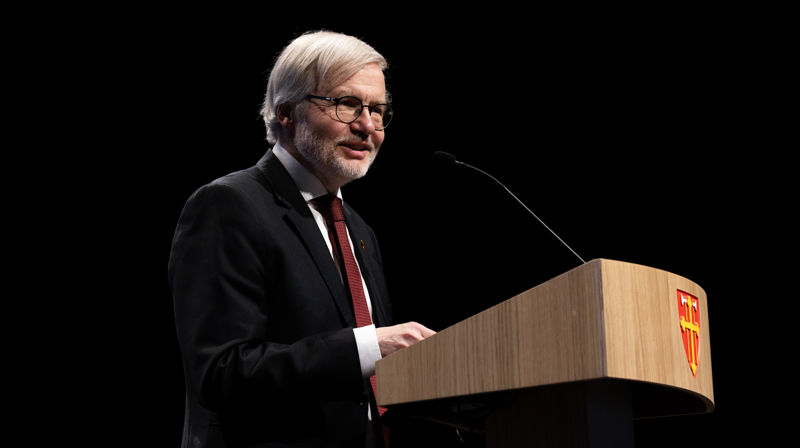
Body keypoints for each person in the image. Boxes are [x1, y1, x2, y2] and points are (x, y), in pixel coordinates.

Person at [168, 30, 435, 448]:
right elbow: (221, 371)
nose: (368, 126)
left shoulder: (358, 229)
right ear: (287, 111)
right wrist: (367, 346)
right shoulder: (228, 205)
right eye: (347, 104)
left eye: (378, 110)